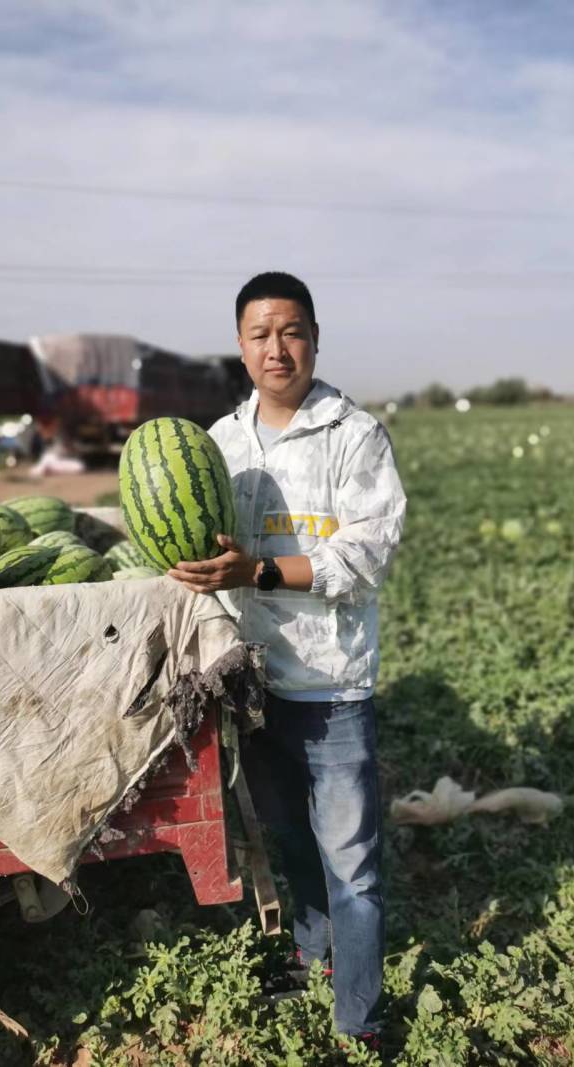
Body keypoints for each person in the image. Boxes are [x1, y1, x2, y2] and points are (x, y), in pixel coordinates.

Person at [167, 271, 406, 1048]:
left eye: (292, 330)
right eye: (261, 333)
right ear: (240, 346)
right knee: (287, 835)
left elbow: (365, 554)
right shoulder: (220, 446)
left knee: (353, 863)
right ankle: (313, 953)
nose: (278, 348)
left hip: (333, 685)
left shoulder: (353, 434)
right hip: (254, 682)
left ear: (314, 338)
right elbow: (196, 548)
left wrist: (260, 570)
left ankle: (360, 1020)